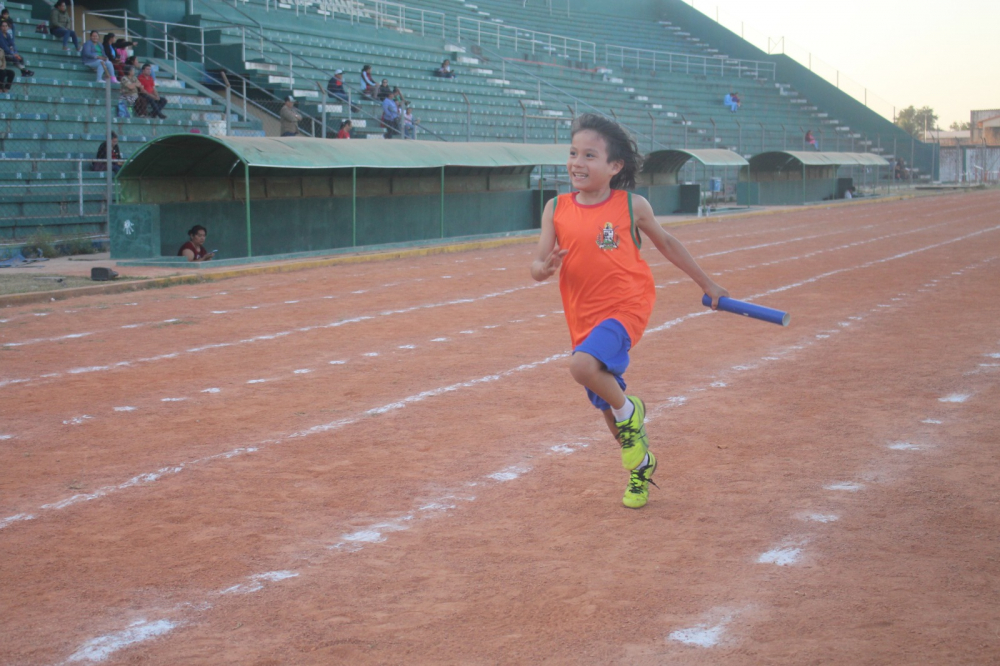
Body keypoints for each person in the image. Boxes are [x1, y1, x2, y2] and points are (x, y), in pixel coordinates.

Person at [530, 113, 729, 510]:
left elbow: (668, 244)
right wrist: (544, 268)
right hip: (582, 315)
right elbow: (536, 265)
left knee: (582, 367)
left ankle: (630, 408)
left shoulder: (630, 205)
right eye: (573, 153)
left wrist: (708, 284)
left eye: (589, 155)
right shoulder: (555, 208)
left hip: (627, 306)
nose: (577, 163)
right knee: (607, 405)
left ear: (614, 166)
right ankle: (640, 466)